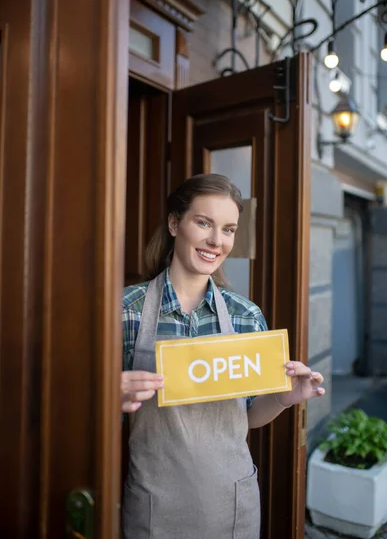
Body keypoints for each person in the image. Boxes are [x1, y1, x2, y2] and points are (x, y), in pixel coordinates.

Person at [121, 173, 324, 539]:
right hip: (152, 510)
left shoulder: (247, 316)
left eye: (228, 229)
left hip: (233, 510)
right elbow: (83, 418)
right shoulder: (125, 311)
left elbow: (247, 417)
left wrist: (284, 396)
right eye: (203, 223)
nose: (216, 241)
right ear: (173, 223)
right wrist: (109, 396)